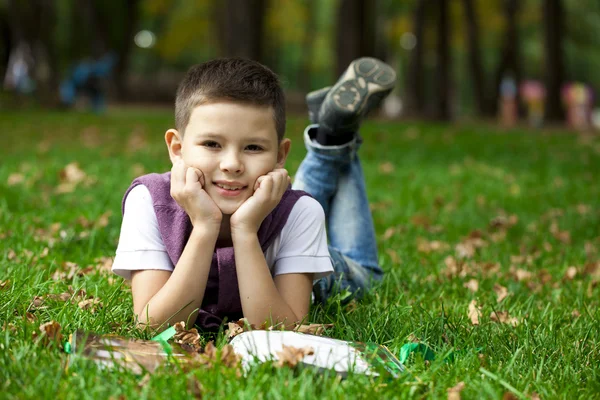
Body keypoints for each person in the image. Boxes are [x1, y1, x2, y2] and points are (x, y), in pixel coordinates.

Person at [112, 57, 396, 332]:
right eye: (212, 143)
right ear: (177, 148)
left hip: (303, 259)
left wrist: (245, 231)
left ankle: (336, 136)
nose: (232, 164)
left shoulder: (301, 213)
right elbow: (151, 325)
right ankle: (331, 136)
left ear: (280, 155)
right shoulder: (150, 201)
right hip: (280, 220)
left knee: (364, 274)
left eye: (253, 148)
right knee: (289, 201)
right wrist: (205, 226)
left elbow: (283, 330)